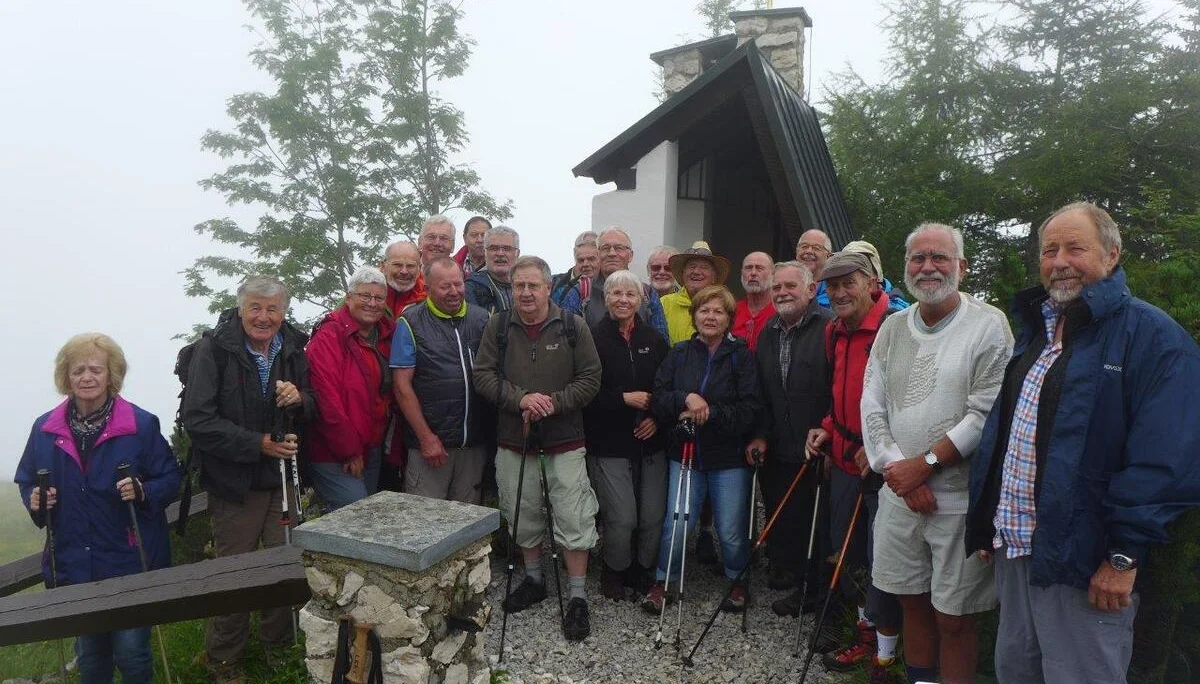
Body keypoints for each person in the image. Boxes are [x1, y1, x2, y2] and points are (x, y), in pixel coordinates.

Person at [966, 202, 1200, 684]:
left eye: (1076, 248)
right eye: (1049, 250)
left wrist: (1123, 556)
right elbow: (1009, 432)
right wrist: (989, 514)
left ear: (1112, 255)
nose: (1059, 261)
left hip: (1086, 562)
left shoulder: (1155, 338)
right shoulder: (1038, 332)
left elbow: (1166, 462)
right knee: (1016, 671)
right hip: (1018, 548)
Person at [862, 223, 1014, 684]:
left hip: (957, 499)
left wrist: (924, 467)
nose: (928, 267)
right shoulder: (892, 327)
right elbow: (873, 401)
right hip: (899, 492)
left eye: (940, 257)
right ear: (905, 266)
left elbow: (986, 413)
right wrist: (897, 471)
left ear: (962, 267)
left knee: (954, 616)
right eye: (918, 258)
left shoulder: (989, 325)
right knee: (912, 602)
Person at [16, 333, 182, 684]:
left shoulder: (140, 424)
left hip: (130, 558)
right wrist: (34, 498)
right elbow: (27, 478)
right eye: (78, 370)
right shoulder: (45, 429)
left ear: (111, 375)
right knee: (90, 660)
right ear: (67, 376)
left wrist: (142, 489)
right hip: (73, 562)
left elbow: (170, 479)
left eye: (95, 369)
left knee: (132, 654)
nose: (86, 377)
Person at [182, 275, 315, 683]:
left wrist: (301, 399)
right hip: (234, 484)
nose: (263, 316)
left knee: (282, 568)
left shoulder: (292, 348)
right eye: (255, 307)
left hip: (280, 480)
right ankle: (225, 662)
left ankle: (279, 650)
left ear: (283, 312)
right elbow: (197, 420)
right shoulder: (214, 351)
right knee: (235, 576)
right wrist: (258, 443)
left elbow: (314, 403)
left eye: (272, 309)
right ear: (240, 310)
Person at [473, 255, 602, 641]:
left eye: (533, 285)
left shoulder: (572, 326)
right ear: (511, 289)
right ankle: (533, 579)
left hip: (565, 440)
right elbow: (483, 376)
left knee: (574, 515)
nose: (526, 292)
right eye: (519, 286)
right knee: (522, 512)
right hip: (515, 439)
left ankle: (577, 596)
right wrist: (522, 399)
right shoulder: (498, 327)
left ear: (548, 287)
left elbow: (591, 378)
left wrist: (553, 403)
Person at [804, 251, 903, 674]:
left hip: (885, 464)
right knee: (847, 552)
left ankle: (889, 649)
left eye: (849, 282)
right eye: (833, 285)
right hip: (845, 457)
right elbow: (840, 390)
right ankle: (866, 634)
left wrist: (880, 444)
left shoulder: (895, 327)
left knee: (886, 557)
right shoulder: (836, 331)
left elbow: (913, 399)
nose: (840, 292)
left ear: (872, 282)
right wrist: (828, 425)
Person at [643, 285, 762, 614]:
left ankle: (737, 577)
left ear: (728, 318)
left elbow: (751, 407)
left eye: (718, 311)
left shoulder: (741, 356)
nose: (710, 317)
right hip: (685, 452)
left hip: (728, 456)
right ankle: (664, 580)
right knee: (678, 521)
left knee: (730, 529)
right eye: (704, 311)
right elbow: (660, 396)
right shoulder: (679, 353)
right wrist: (686, 399)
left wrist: (710, 412)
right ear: (694, 316)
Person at [743, 261, 832, 599]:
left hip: (818, 444)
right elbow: (763, 391)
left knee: (816, 519)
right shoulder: (768, 331)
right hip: (779, 442)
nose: (782, 293)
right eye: (777, 287)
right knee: (783, 510)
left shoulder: (828, 327)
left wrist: (831, 436)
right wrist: (761, 435)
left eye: (790, 286)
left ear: (810, 290)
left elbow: (837, 388)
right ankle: (788, 570)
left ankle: (813, 588)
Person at [583, 269, 670, 599]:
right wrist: (621, 399)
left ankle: (642, 568)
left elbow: (667, 386)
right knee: (621, 518)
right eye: (616, 294)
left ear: (641, 299)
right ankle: (615, 568)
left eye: (630, 294)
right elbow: (583, 391)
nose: (623, 300)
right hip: (609, 442)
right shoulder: (592, 338)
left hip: (651, 440)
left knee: (651, 516)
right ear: (606, 299)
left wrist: (657, 417)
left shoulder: (654, 340)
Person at [391, 257, 490, 503]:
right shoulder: (410, 323)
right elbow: (402, 387)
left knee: (467, 524)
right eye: (445, 286)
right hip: (432, 447)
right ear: (428, 288)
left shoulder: (482, 319)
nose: (454, 292)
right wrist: (426, 438)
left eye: (458, 284)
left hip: (473, 443)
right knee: (426, 524)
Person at [305, 267, 396, 510]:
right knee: (356, 513)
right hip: (335, 452)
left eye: (378, 298)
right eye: (364, 296)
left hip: (373, 446)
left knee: (369, 516)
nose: (372, 303)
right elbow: (326, 399)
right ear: (348, 298)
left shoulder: (388, 333)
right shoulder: (329, 336)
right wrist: (350, 452)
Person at [560, 227, 669, 340]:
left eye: (619, 248)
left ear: (630, 255)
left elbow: (661, 343)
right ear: (598, 254)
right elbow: (564, 339)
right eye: (606, 248)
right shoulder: (581, 292)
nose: (612, 253)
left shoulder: (648, 294)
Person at [659, 241, 731, 344]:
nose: (696, 272)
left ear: (714, 276)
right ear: (682, 273)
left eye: (704, 267)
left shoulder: (724, 306)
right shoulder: (663, 304)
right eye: (692, 267)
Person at [465, 225, 520, 314]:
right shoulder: (471, 288)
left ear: (517, 253)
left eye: (507, 248)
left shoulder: (527, 286)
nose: (500, 253)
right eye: (493, 248)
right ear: (485, 252)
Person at [844, 240, 910, 313]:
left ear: (876, 271)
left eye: (862, 266)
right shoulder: (838, 303)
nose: (855, 273)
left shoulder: (896, 310)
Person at [732, 251, 776, 351]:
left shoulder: (781, 312)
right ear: (741, 273)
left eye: (759, 268)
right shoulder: (731, 310)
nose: (753, 273)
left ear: (773, 274)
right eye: (748, 268)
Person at [551, 231, 600, 305]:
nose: (585, 264)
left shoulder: (609, 286)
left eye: (591, 259)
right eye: (581, 260)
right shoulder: (553, 284)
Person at [381, 240, 427, 317]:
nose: (404, 271)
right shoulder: (368, 295)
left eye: (410, 266)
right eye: (397, 265)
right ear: (383, 267)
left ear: (419, 269)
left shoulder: (430, 299)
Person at [795, 228, 834, 307]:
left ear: (828, 256)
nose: (809, 251)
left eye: (816, 248)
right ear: (797, 251)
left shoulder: (834, 289)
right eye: (804, 246)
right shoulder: (782, 284)